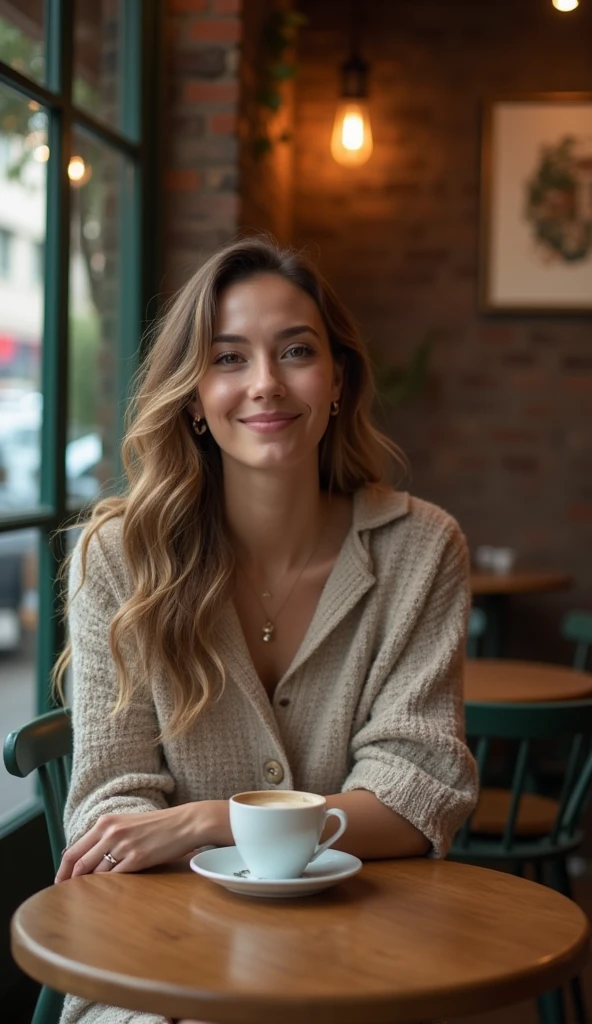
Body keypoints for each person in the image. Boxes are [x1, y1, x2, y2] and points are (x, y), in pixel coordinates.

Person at [54, 236, 478, 1024]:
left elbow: (419, 796)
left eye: (295, 351)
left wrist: (214, 821)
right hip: (156, 960)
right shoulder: (119, 558)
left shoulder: (424, 549)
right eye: (228, 358)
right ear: (191, 397)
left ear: (338, 381)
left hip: (359, 954)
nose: (265, 385)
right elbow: (112, 807)